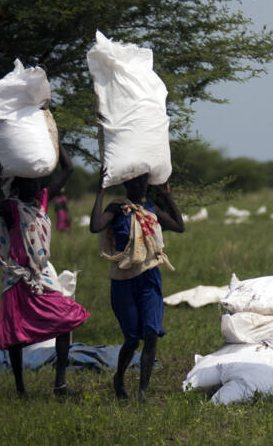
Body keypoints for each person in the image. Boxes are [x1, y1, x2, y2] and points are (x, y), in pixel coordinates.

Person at [0, 146, 89, 397]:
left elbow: (68, 169)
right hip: (16, 278)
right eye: (28, 184)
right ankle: (20, 388)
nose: (34, 188)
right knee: (15, 337)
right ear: (17, 186)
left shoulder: (41, 201)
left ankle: (60, 384)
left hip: (42, 276)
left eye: (37, 183)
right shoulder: (9, 207)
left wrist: (53, 139)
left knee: (65, 322)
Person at [89, 171, 184, 402]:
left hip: (149, 277)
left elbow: (179, 226)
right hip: (124, 282)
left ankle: (142, 392)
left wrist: (167, 196)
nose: (141, 186)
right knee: (132, 339)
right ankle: (119, 378)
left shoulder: (151, 209)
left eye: (144, 182)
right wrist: (100, 193)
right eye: (135, 181)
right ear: (126, 183)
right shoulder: (117, 208)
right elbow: (94, 226)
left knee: (151, 333)